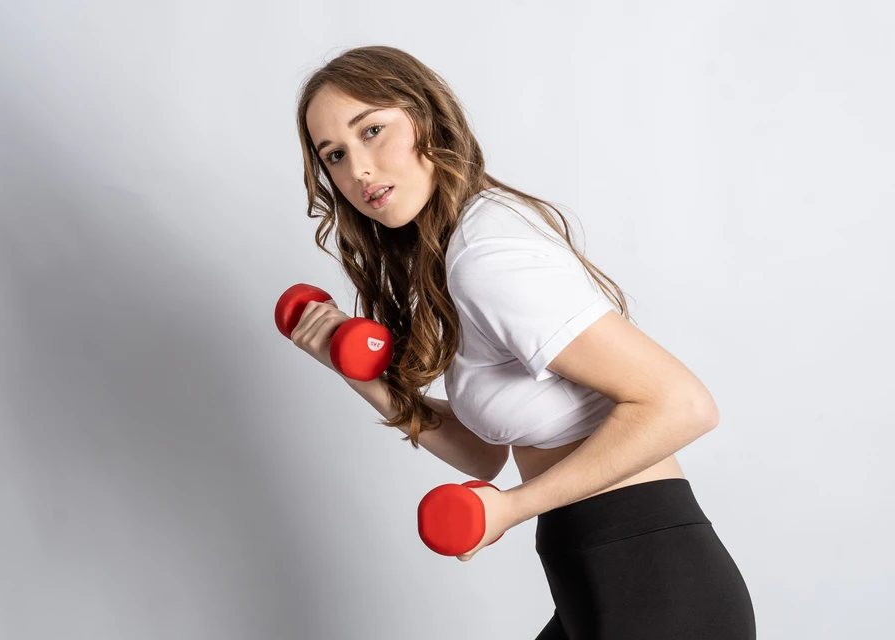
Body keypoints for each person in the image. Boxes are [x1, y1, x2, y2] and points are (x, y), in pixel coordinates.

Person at [291, 45, 756, 639]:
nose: (358, 169)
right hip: (603, 579)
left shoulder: (485, 256)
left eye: (372, 130)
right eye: (334, 154)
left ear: (426, 117)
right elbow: (483, 454)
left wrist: (509, 508)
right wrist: (358, 372)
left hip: (652, 585)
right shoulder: (457, 251)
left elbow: (682, 404)